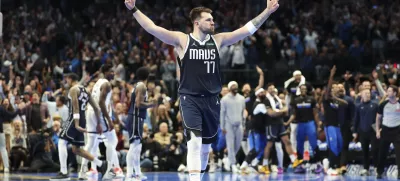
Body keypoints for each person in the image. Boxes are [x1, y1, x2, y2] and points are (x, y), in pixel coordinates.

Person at [123, 0, 280, 180]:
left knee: (206, 148)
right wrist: (134, 9)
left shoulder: (218, 40)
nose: (213, 22)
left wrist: (267, 12)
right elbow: (152, 28)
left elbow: (246, 30)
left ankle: (200, 175)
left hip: (212, 100)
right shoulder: (182, 40)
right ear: (197, 23)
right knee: (195, 143)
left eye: (213, 19)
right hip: (190, 98)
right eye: (208, 20)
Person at [51, 73, 108, 180]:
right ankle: (101, 164)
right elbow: (97, 108)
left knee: (62, 141)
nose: (66, 82)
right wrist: (99, 124)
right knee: (76, 149)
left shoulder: (73, 89)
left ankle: (63, 172)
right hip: (83, 119)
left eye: (66, 79)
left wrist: (76, 124)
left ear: (70, 79)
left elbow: (76, 107)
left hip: (74, 118)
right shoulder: (86, 91)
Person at [79, 64, 124, 180]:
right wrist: (108, 120)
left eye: (113, 71)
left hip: (90, 112)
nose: (113, 73)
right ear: (105, 72)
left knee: (91, 142)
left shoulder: (98, 82)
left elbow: (104, 102)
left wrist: (114, 116)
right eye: (111, 71)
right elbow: (101, 103)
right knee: (112, 140)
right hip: (98, 113)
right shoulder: (107, 84)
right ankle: (110, 170)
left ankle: (83, 170)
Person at [259, 84, 301, 175]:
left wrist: (279, 111)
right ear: (267, 91)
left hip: (280, 123)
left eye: (273, 88)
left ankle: (294, 161)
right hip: (271, 124)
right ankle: (265, 165)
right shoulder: (266, 100)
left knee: (287, 141)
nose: (272, 90)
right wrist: (281, 111)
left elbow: (286, 111)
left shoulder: (277, 99)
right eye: (270, 89)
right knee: (269, 145)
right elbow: (271, 114)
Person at [126, 67, 155, 180]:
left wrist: (149, 102)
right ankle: (129, 174)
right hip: (135, 117)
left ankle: (137, 173)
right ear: (147, 76)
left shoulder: (138, 85)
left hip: (137, 117)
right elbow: (138, 104)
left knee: (138, 146)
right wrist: (151, 104)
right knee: (134, 146)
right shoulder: (142, 86)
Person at [290, 84, 323, 173]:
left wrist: (318, 124)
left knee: (313, 143)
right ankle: (300, 165)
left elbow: (315, 113)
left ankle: (318, 164)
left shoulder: (311, 99)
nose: (303, 90)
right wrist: (288, 123)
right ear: (299, 90)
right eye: (302, 89)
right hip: (300, 124)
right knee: (299, 144)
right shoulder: (295, 100)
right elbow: (294, 114)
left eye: (305, 89)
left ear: (307, 90)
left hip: (310, 123)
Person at [322, 66, 348, 176]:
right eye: (331, 88)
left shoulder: (336, 101)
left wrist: (335, 97)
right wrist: (331, 76)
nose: (332, 89)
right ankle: (331, 167)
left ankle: (328, 162)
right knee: (333, 145)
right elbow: (328, 91)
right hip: (329, 126)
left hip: (337, 126)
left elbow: (345, 103)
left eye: (334, 88)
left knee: (339, 145)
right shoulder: (326, 99)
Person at [220, 81, 246, 173]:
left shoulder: (242, 98)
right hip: (228, 125)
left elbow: (243, 113)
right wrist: (222, 127)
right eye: (233, 86)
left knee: (238, 145)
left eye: (236, 86)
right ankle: (233, 164)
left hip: (239, 125)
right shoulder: (224, 99)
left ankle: (228, 160)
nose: (235, 87)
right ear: (230, 88)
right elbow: (222, 114)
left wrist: (243, 125)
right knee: (230, 145)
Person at [353, 88, 379, 176]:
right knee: (365, 151)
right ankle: (366, 168)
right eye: (366, 93)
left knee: (375, 149)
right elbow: (356, 119)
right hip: (362, 131)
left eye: (369, 93)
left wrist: (378, 129)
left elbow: (379, 117)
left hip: (373, 131)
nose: (368, 95)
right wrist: (355, 131)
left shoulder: (375, 105)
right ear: (361, 95)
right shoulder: (358, 106)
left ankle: (376, 167)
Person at [376, 85, 400, 179]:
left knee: (399, 153)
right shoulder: (383, 104)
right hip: (385, 130)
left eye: (389, 91)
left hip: (397, 130)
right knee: (382, 152)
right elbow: (378, 118)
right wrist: (378, 130)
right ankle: (379, 172)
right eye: (387, 91)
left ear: (394, 93)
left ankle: (399, 173)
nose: (387, 93)